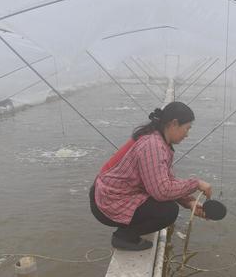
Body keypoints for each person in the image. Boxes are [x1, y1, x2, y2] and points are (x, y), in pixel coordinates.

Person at [90, 101, 212, 251]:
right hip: (108, 200)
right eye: (187, 128)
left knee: (163, 203)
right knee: (168, 211)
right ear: (174, 124)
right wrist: (196, 183)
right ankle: (124, 237)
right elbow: (162, 191)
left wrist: (189, 202)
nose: (187, 134)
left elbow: (165, 181)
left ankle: (126, 233)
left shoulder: (159, 140)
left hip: (110, 194)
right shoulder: (153, 145)